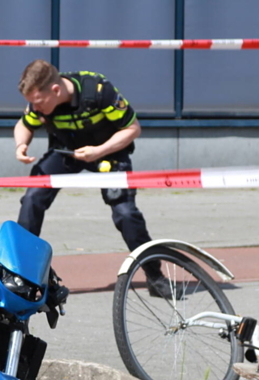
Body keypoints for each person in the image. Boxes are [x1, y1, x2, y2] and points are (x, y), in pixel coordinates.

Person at [13, 59, 174, 298]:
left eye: (37, 102)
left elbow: (133, 129)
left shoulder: (98, 90)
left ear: (55, 90)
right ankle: (22, 276)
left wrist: (98, 151)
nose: (34, 108)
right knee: (32, 198)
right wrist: (21, 145)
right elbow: (24, 124)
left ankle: (155, 276)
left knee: (125, 213)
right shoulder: (40, 102)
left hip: (108, 152)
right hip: (67, 152)